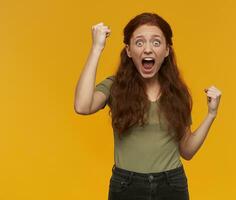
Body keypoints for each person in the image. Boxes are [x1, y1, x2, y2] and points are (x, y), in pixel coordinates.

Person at [74, 12, 222, 200]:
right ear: (129, 50)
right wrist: (96, 48)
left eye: (156, 42)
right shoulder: (115, 86)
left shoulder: (178, 93)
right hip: (126, 185)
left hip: (171, 184)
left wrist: (211, 114)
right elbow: (82, 105)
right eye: (139, 42)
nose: (148, 49)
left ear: (167, 50)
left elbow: (187, 151)